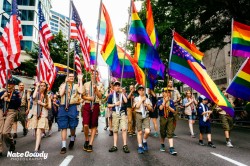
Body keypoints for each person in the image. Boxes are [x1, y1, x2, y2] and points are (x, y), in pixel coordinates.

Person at [58, 73, 83, 154]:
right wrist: (65, 84)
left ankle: (72, 138)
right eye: (70, 77)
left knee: (73, 125)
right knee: (63, 126)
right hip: (63, 106)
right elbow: (61, 94)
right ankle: (63, 146)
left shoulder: (76, 85)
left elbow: (81, 91)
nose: (71, 78)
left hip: (72, 106)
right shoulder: (62, 85)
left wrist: (80, 80)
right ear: (67, 77)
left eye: (73, 77)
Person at [82, 70, 103, 152]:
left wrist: (96, 89)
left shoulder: (100, 84)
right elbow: (82, 96)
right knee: (86, 125)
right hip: (87, 104)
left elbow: (101, 96)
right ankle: (87, 139)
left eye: (96, 74)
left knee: (94, 125)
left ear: (97, 75)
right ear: (91, 75)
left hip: (96, 104)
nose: (94, 75)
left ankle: (90, 143)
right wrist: (89, 98)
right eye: (93, 74)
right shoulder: (86, 84)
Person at [27, 81, 51, 152]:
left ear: (46, 87)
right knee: (36, 131)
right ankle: (38, 143)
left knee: (38, 131)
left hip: (43, 115)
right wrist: (36, 87)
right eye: (41, 85)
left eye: (44, 86)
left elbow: (49, 106)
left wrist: (42, 104)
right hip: (35, 115)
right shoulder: (36, 94)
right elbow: (33, 97)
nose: (42, 87)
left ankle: (36, 150)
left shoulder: (48, 96)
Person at [0, 79, 21, 156]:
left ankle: (11, 143)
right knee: (0, 132)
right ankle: (0, 150)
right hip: (1, 111)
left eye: (11, 84)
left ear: (13, 85)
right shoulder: (2, 92)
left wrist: (9, 100)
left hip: (11, 111)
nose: (9, 85)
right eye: (8, 83)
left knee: (5, 132)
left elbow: (18, 103)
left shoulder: (16, 93)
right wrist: (3, 97)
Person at [107, 81, 129, 153]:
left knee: (124, 128)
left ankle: (125, 145)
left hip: (122, 113)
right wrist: (114, 104)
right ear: (113, 87)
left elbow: (126, 101)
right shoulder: (111, 95)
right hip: (115, 113)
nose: (117, 87)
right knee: (115, 130)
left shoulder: (122, 94)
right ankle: (115, 146)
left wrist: (122, 93)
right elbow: (108, 105)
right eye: (116, 86)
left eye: (118, 85)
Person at [157, 88, 177, 155]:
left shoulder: (171, 101)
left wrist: (169, 107)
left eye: (169, 92)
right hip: (163, 118)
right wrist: (164, 102)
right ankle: (162, 144)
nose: (168, 93)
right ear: (163, 93)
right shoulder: (160, 100)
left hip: (170, 118)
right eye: (166, 92)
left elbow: (174, 110)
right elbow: (160, 108)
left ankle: (171, 148)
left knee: (170, 132)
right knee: (162, 132)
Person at [134, 85, 153, 154]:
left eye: (142, 90)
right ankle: (140, 146)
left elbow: (151, 109)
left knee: (147, 131)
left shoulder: (147, 99)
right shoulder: (136, 98)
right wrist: (141, 100)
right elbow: (136, 107)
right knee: (139, 132)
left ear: (144, 91)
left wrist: (147, 105)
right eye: (140, 90)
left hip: (146, 115)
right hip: (138, 114)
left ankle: (144, 140)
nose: (141, 91)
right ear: (138, 91)